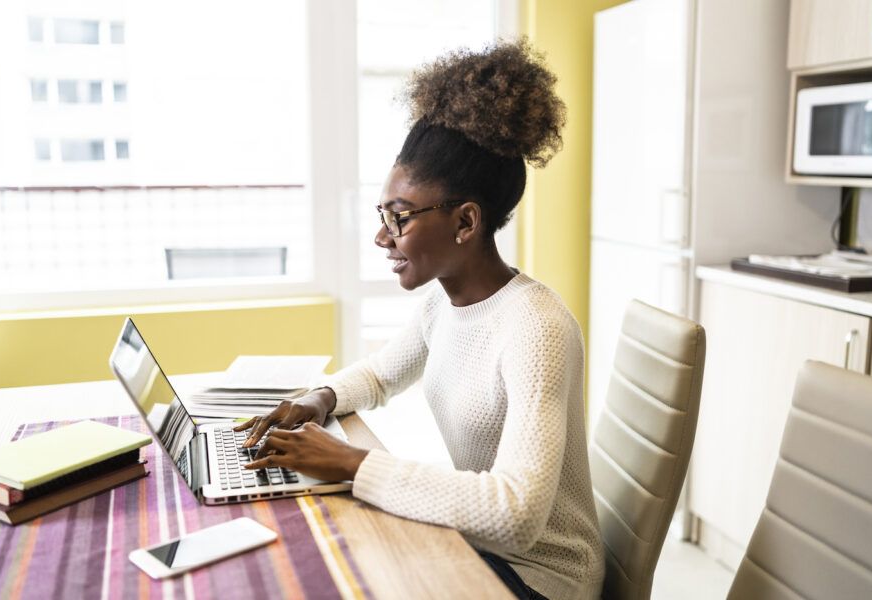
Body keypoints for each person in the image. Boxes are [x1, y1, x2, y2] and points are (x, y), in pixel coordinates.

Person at [235, 39, 605, 600]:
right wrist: (319, 399)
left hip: (542, 578)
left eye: (400, 217)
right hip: (482, 548)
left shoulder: (536, 329)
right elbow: (382, 375)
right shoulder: (442, 303)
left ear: (465, 222)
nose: (382, 236)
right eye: (383, 213)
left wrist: (353, 464)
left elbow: (517, 514)